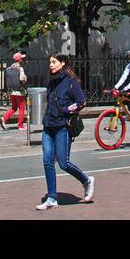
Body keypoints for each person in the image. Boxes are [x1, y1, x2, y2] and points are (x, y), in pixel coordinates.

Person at [36, 54, 94, 211]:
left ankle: (87, 181)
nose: (51, 65)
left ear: (62, 63)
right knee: (47, 161)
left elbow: (81, 102)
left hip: (63, 125)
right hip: (49, 125)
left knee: (63, 163)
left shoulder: (70, 81)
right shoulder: (52, 82)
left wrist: (67, 109)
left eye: (54, 62)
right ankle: (52, 198)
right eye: (50, 62)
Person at [0, 51, 28, 131]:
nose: (22, 60)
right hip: (20, 92)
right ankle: (20, 125)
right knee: (22, 108)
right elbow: (22, 79)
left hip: (11, 92)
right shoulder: (20, 68)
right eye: (22, 58)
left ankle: (4, 118)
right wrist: (25, 79)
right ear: (19, 60)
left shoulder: (9, 68)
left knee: (14, 107)